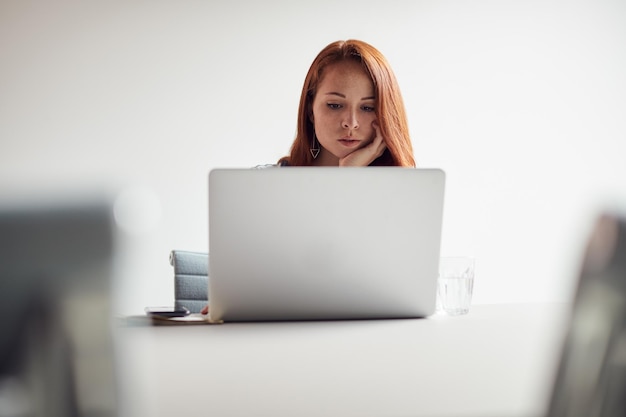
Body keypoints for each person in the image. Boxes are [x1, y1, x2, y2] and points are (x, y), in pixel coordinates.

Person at [200, 39, 415, 315]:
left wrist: (349, 179)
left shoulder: (403, 192)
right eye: (335, 105)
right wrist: (344, 178)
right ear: (311, 110)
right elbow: (244, 290)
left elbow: (409, 292)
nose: (351, 122)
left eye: (367, 107)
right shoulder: (265, 186)